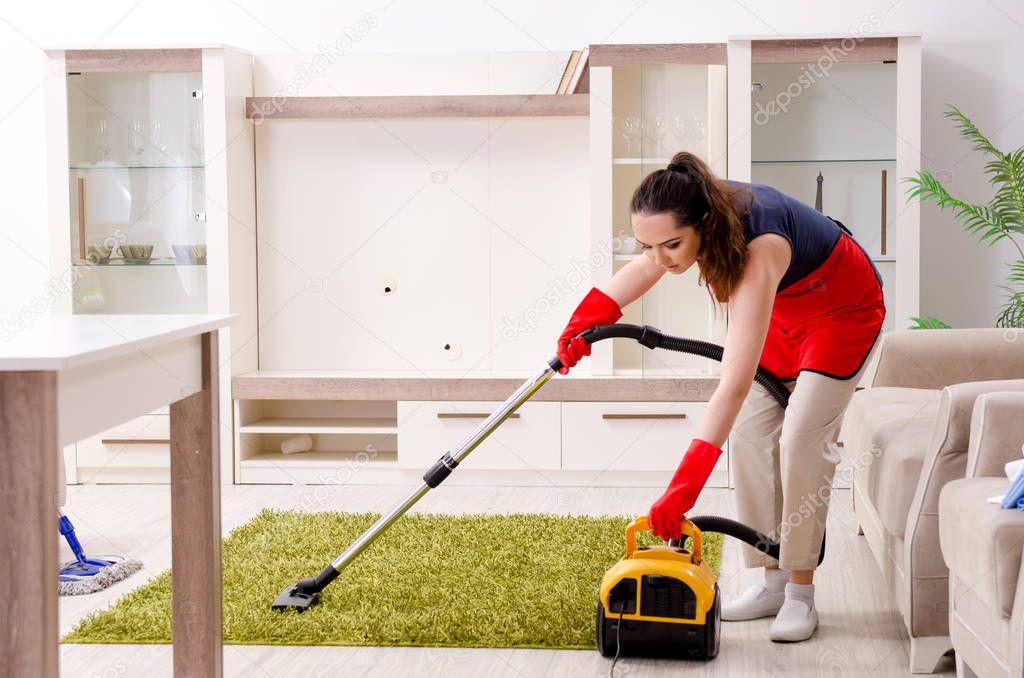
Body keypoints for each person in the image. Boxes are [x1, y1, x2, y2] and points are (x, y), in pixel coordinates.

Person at [555, 151, 885, 642]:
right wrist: (585, 320)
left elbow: (731, 384)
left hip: (842, 313)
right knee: (752, 436)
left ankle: (800, 592)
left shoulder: (760, 246)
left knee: (799, 440)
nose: (662, 258)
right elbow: (646, 268)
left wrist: (683, 487)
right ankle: (770, 581)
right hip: (780, 315)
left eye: (672, 245)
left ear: (705, 224)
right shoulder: (689, 211)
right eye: (649, 245)